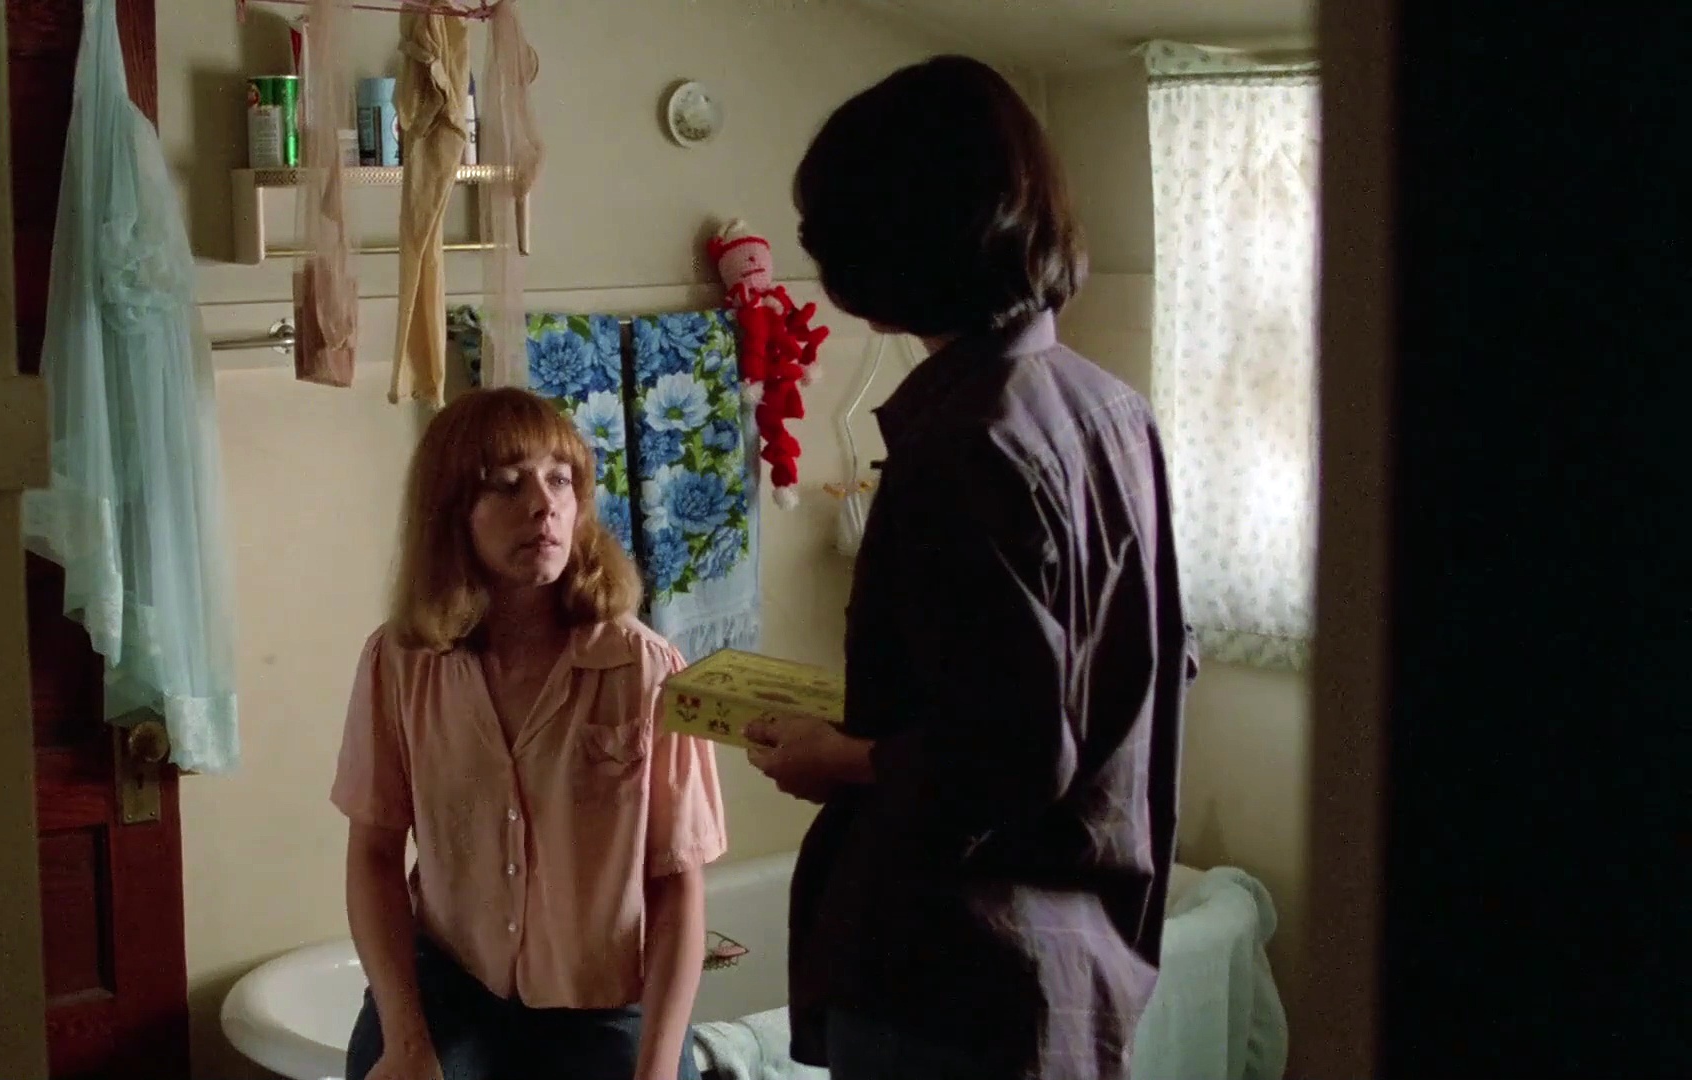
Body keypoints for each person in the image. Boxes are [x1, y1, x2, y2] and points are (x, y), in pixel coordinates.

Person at [743, 56, 1197, 1080]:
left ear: (898, 238)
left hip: (955, 980)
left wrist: (837, 759)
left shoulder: (964, 446)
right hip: (1076, 966)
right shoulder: (1108, 409)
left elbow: (1010, 759)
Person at [332, 387, 727, 1080]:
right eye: (506, 484)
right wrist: (407, 1041)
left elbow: (678, 886)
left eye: (560, 480)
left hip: (604, 999)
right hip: (450, 981)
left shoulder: (645, 670)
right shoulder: (400, 662)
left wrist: (659, 1071)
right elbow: (373, 854)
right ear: (451, 512)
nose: (543, 505)